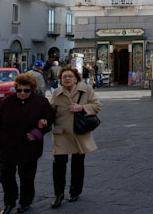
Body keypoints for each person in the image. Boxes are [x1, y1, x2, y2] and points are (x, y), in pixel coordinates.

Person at [0, 73, 55, 214]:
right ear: (15, 89)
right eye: (19, 90)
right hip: (7, 145)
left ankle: (25, 201)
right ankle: (9, 202)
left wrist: (38, 132)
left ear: (32, 90)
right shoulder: (7, 102)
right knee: (7, 176)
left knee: (27, 177)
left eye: (26, 91)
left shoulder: (41, 102)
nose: (22, 93)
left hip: (29, 147)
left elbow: (50, 119)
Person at [49, 66, 101, 209]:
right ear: (60, 79)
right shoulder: (56, 93)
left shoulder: (86, 90)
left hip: (80, 132)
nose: (67, 79)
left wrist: (82, 108)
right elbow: (49, 110)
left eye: (69, 76)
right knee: (59, 163)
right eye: (64, 76)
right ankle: (58, 194)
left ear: (76, 78)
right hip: (61, 133)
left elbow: (97, 106)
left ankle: (75, 191)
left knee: (78, 163)